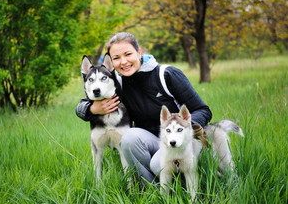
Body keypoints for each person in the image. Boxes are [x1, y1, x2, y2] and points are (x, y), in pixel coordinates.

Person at [76, 32, 212, 185]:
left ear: (139, 52)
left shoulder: (166, 74)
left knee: (157, 164)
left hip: (179, 138)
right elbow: (81, 106)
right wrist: (92, 109)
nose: (124, 62)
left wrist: (183, 126)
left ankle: (180, 189)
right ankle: (150, 189)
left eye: (128, 54)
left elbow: (203, 110)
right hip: (150, 141)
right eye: (116, 58)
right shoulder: (118, 82)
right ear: (111, 62)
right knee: (128, 137)